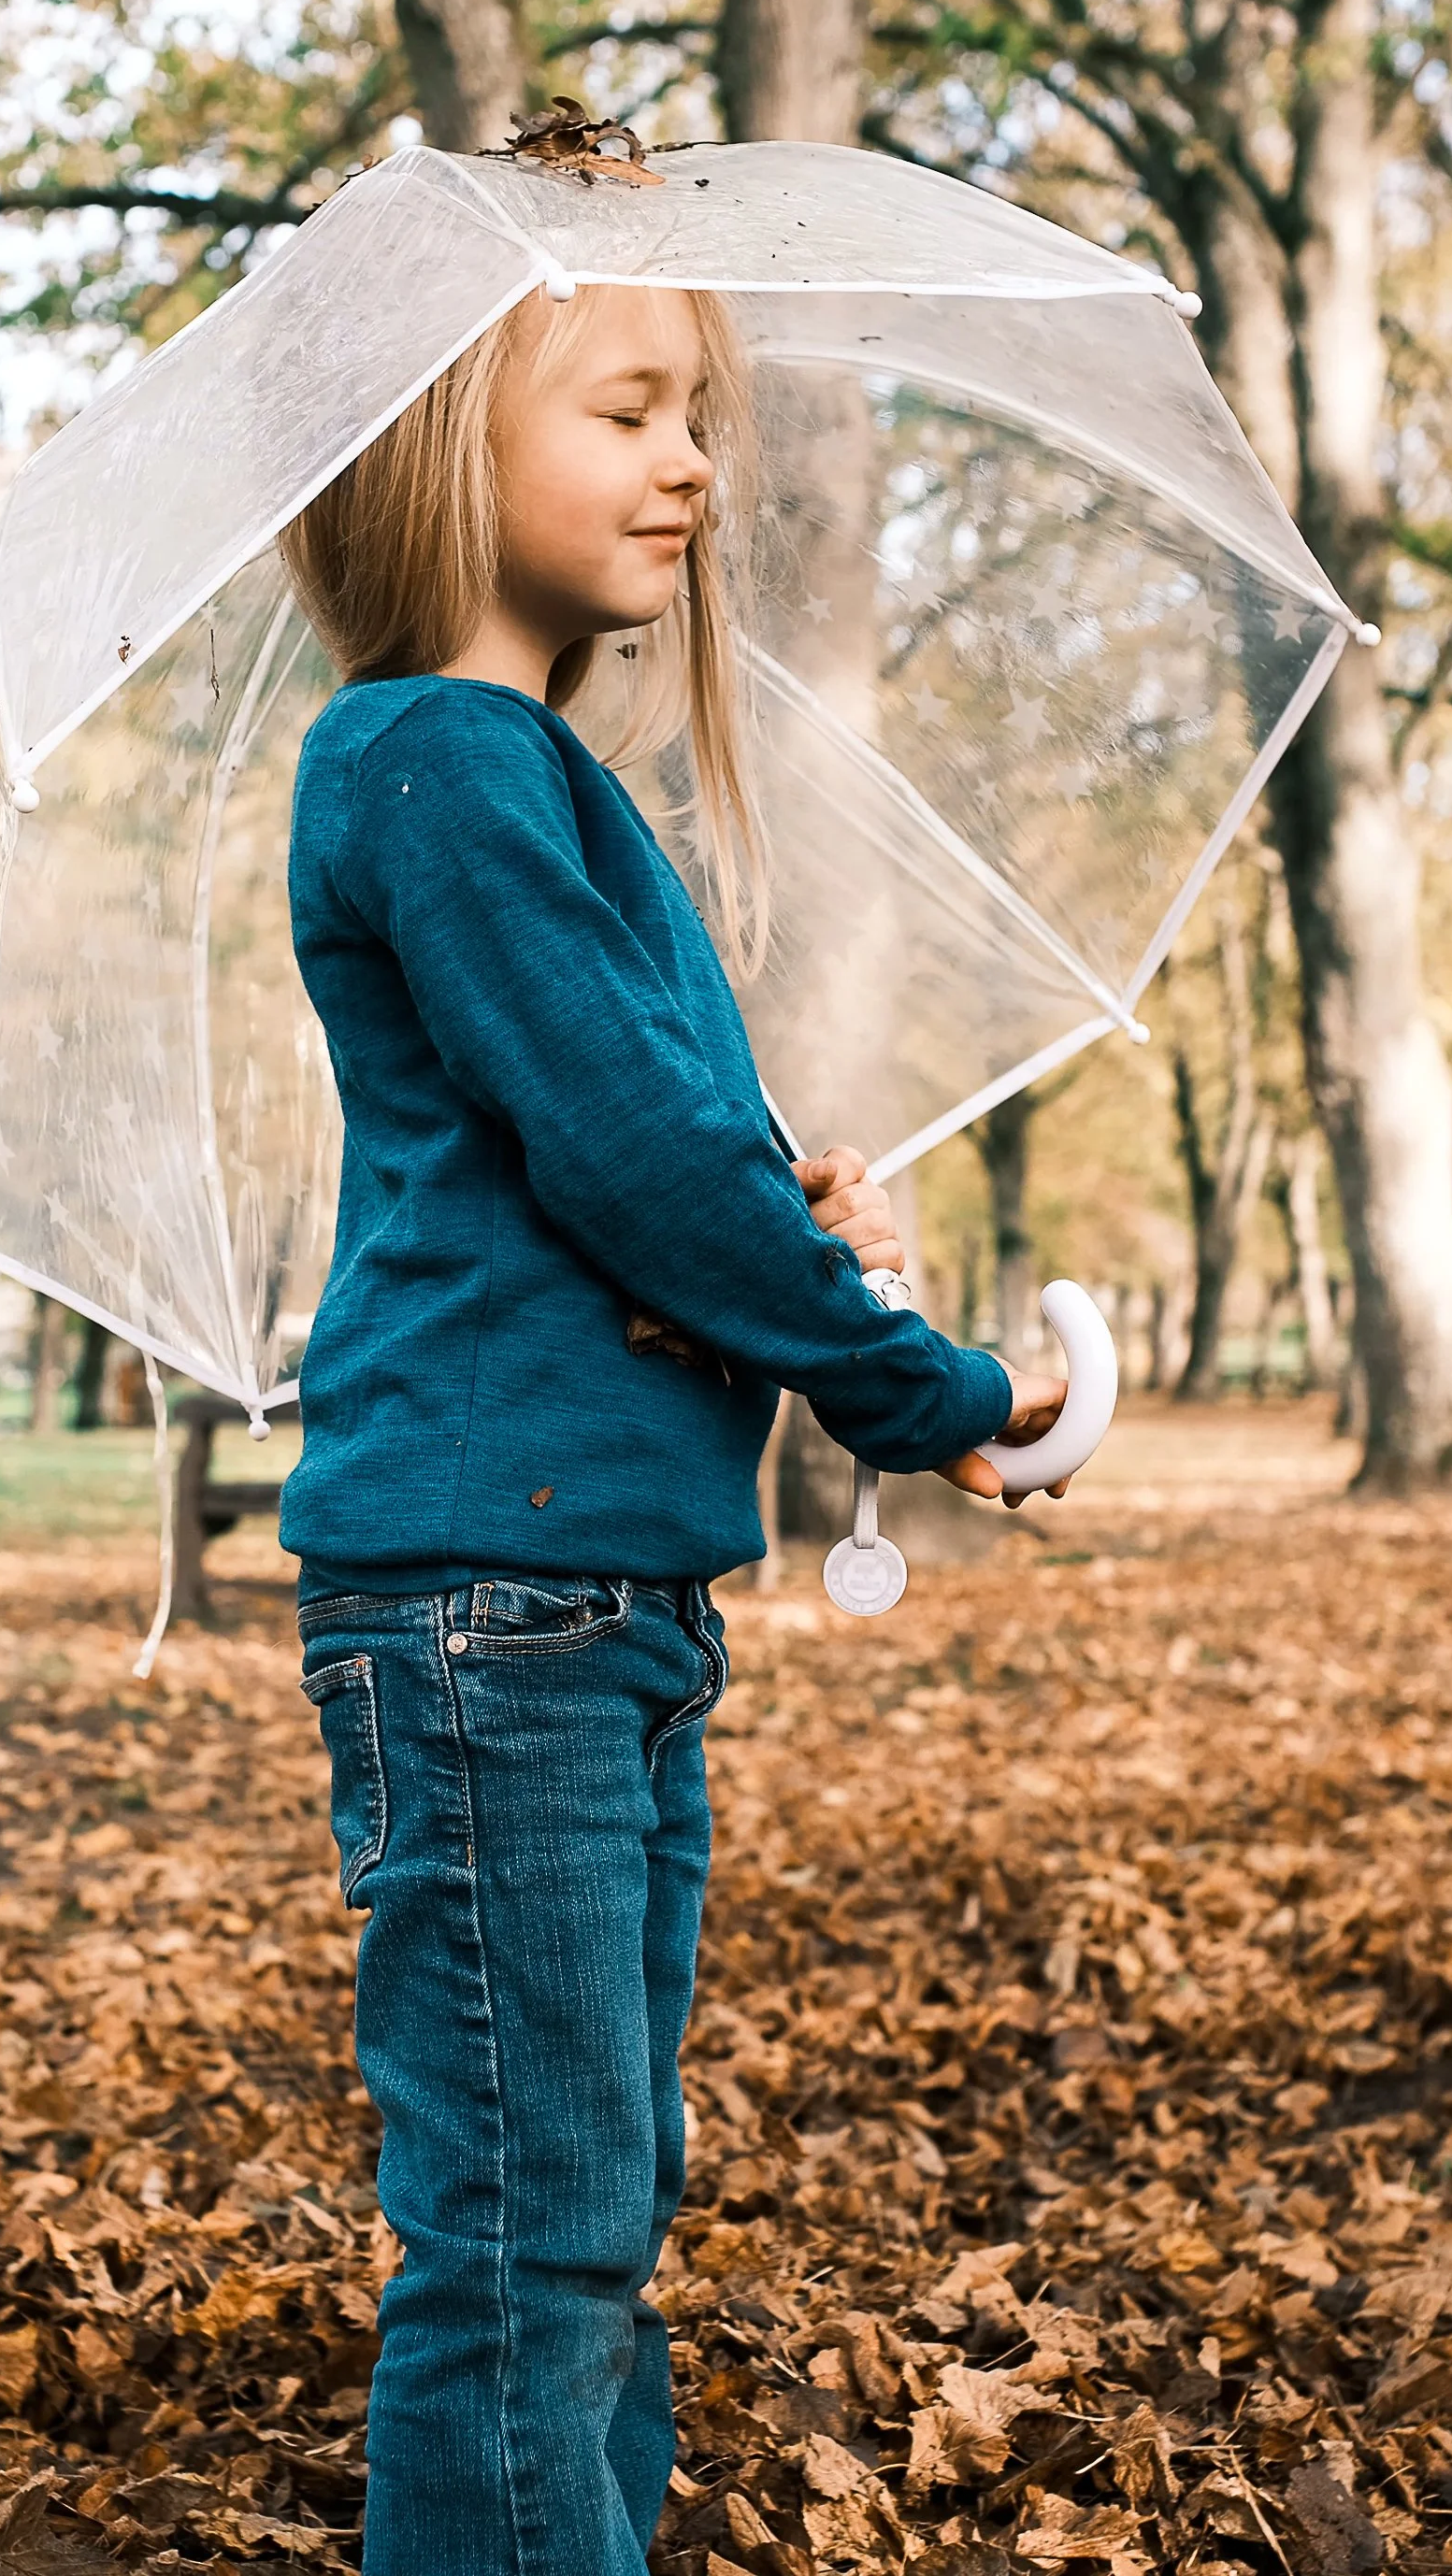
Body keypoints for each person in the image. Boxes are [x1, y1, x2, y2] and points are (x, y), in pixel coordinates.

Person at [276, 279, 1070, 2576]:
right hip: (484, 1601)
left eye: (696, 414)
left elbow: (654, 1147)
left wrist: (794, 1203)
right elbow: (624, 1158)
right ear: (442, 445)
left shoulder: (545, 792)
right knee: (524, 2243)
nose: (691, 462)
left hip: (596, 1596)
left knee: (592, 2217)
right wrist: (917, 1386)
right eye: (626, 408)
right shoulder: (423, 754)